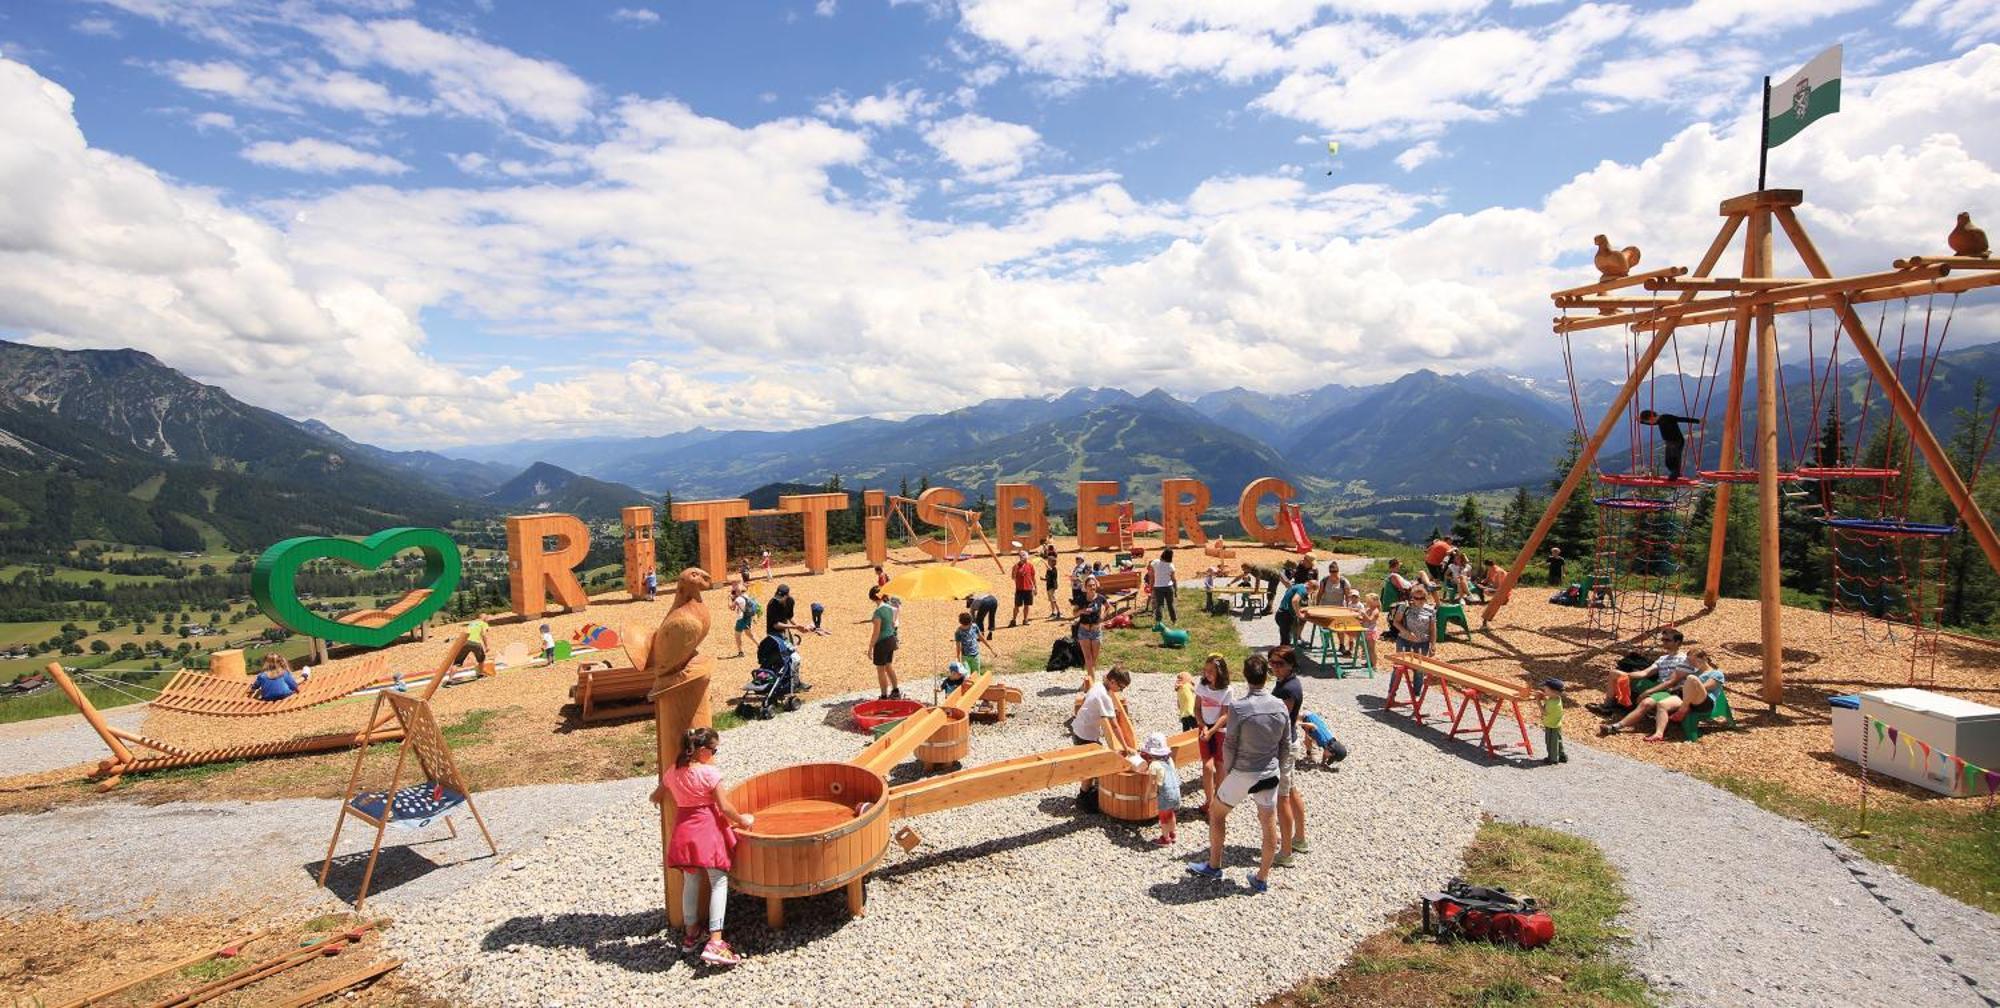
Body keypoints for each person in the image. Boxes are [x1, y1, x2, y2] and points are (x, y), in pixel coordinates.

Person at [654, 726, 754, 967]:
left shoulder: (673, 772)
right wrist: (743, 820)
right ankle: (716, 941)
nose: (715, 754)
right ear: (701, 750)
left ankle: (691, 934)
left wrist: (663, 799)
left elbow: (656, 795)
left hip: (684, 832)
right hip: (707, 831)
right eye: (714, 750)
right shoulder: (709, 773)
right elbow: (725, 807)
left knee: (691, 881)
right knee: (718, 881)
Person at [1187, 654, 1286, 894]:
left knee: (1217, 813)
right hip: (1270, 771)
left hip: (1244, 770)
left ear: (1245, 676)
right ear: (1266, 676)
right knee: (1268, 823)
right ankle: (1261, 877)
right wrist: (1278, 768)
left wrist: (1231, 770)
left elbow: (1229, 744)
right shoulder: (1280, 705)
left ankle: (1214, 865)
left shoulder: (1239, 708)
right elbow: (1285, 742)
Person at [1601, 648, 1723, 740]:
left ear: (1704, 658)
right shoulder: (1694, 672)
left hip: (1703, 701)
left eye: (1694, 660)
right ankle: (1619, 727)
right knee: (1661, 704)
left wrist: (1686, 684)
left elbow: (1706, 688)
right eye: (1690, 661)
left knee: (1691, 679)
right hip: (1685, 698)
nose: (1692, 663)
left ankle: (1683, 709)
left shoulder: (1716, 673)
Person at [1267, 645, 1308, 865]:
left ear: (1291, 664)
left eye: (1279, 664)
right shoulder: (1285, 683)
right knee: (1291, 791)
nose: (1274, 667)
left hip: (1285, 746)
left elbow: (1280, 719)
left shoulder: (1288, 689)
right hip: (1289, 741)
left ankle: (1286, 852)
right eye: (1271, 663)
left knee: (1282, 799)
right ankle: (1299, 838)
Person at [1071, 667, 1134, 802]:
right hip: (1085, 736)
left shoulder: (1099, 685)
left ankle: (1088, 789)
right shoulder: (1104, 697)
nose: (1120, 691)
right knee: (1092, 767)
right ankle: (1083, 796)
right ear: (1112, 681)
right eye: (1121, 687)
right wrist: (1125, 747)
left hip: (1079, 729)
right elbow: (1114, 725)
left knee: (1094, 762)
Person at [1592, 627, 1691, 713]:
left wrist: (1648, 691)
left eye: (1667, 640)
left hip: (1668, 690)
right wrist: (1627, 675)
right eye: (1663, 639)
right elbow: (1645, 673)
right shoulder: (1663, 659)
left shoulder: (1683, 659)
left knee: (1622, 677)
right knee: (1615, 673)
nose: (1663, 642)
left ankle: (1621, 703)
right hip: (1658, 684)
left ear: (1677, 642)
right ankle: (1608, 705)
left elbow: (1673, 682)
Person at [1193, 653, 1232, 813]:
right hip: (1204, 727)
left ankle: (1218, 799)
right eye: (1205, 670)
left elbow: (1225, 714)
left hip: (1220, 729)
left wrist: (1212, 730)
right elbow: (1196, 708)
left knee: (1219, 764)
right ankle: (1208, 801)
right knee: (1207, 766)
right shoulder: (1202, 686)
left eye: (1211, 671)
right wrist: (1203, 726)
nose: (1206, 674)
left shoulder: (1227, 690)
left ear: (1220, 673)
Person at [1141, 732, 1182, 847]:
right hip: (1176, 792)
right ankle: (1173, 834)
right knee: (1171, 814)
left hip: (1165, 795)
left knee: (1163, 817)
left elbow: (1151, 783)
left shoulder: (1154, 765)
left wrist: (1146, 796)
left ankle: (1165, 839)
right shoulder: (1169, 760)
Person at [1638, 409, 1703, 480]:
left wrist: (1698, 421)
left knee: (1674, 458)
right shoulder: (1658, 421)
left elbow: (1682, 419)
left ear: (1651, 417)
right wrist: (1641, 421)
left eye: (1648, 421)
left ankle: (1675, 474)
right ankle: (1674, 473)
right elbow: (1653, 423)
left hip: (1677, 441)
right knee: (1668, 461)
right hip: (1669, 442)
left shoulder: (1667, 417)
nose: (1650, 423)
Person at [862, 585, 901, 700]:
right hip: (891, 639)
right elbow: (893, 624)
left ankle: (884, 695)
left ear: (873, 598)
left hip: (882, 643)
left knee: (881, 670)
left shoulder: (878, 612)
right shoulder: (890, 608)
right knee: (889, 666)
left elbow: (876, 633)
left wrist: (870, 648)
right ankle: (895, 690)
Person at [1072, 576, 1106, 690]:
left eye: (1093, 585)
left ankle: (1088, 680)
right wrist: (1082, 611)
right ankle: (1092, 683)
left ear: (1096, 586)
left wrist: (1102, 617)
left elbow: (1108, 607)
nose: (1092, 587)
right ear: (1085, 588)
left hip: (1096, 631)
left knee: (1093, 659)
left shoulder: (1100, 598)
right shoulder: (1081, 599)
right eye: (1089, 586)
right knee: (1088, 658)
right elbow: (1074, 613)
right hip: (1084, 631)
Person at [1393, 586, 1436, 659]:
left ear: (1426, 598)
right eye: (1417, 598)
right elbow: (1396, 622)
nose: (1420, 600)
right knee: (1400, 667)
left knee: (1420, 669)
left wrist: (1433, 645)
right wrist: (1407, 633)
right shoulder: (1405, 607)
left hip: (1422, 643)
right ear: (1412, 598)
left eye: (1422, 598)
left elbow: (1433, 629)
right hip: (1404, 641)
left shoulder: (1430, 610)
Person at [1273, 574, 1310, 648]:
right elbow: (1295, 601)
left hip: (1281, 613)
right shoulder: (1303, 589)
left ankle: (1289, 651)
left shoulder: (1297, 586)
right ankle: (1284, 656)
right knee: (1285, 643)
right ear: (1311, 588)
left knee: (1286, 638)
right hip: (1285, 615)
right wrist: (1298, 614)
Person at [1539, 679, 1568, 764]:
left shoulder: (1553, 703)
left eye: (1546, 689)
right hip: (1556, 725)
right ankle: (1562, 755)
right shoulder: (1556, 699)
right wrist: (1544, 697)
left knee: (1551, 743)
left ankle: (1553, 759)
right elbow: (1548, 702)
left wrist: (1538, 701)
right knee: (1558, 741)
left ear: (1553, 691)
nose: (1544, 689)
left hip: (1551, 725)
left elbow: (1544, 711)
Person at [1149, 548, 1179, 625]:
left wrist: (1151, 587)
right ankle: (1174, 620)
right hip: (1169, 587)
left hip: (1158, 587)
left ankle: (1158, 622)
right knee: (1170, 604)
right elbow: (1174, 579)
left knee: (1160, 605)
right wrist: (1176, 590)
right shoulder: (1171, 566)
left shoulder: (1155, 562)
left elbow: (1152, 577)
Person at [1008, 550, 1036, 627]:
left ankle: (1025, 619)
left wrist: (1035, 587)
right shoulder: (1016, 566)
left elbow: (1033, 577)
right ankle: (1013, 620)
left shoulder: (1030, 565)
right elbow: (1013, 577)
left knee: (1027, 605)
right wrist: (1016, 569)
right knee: (1017, 606)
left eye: (1025, 557)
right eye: (1022, 557)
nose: (1024, 559)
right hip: (1019, 589)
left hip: (1028, 589)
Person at [728, 583, 753, 658]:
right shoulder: (746, 596)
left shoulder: (738, 599)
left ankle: (740, 652)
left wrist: (729, 599)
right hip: (748, 617)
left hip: (741, 619)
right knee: (749, 634)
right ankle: (760, 646)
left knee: (737, 636)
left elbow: (731, 607)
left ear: (737, 592)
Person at [1040, 544, 1063, 619]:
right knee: (1051, 600)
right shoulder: (1049, 570)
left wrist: (1043, 562)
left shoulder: (1053, 569)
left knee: (1054, 600)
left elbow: (1050, 570)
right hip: (1049, 586)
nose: (1048, 562)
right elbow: (1048, 578)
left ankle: (1059, 612)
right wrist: (1043, 579)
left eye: (1049, 561)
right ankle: (1053, 612)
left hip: (1052, 586)